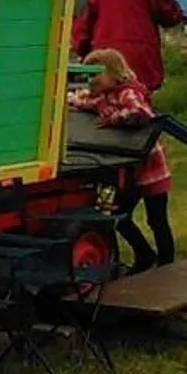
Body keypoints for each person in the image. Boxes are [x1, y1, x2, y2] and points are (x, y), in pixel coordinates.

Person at [67, 48, 176, 273]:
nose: (91, 81)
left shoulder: (127, 93)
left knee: (157, 219)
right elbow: (82, 101)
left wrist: (114, 118)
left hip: (150, 168)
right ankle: (144, 254)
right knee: (119, 216)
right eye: (87, 76)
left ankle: (167, 265)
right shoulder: (102, 96)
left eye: (95, 75)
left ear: (113, 73)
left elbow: (141, 112)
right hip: (128, 171)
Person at [72, 0, 186, 93]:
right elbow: (172, 17)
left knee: (104, 102)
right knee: (139, 103)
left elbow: (83, 28)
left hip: (105, 60)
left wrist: (85, 53)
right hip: (142, 63)